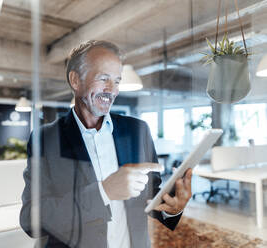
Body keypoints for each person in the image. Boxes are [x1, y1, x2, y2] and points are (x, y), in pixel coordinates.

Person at [20, 40, 192, 248]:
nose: (112, 90)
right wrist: (104, 192)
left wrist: (171, 207)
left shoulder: (138, 131)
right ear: (75, 80)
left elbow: (151, 196)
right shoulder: (45, 139)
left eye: (117, 81)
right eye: (103, 78)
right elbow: (31, 220)